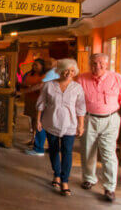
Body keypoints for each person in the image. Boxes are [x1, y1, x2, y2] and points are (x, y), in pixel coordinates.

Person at [74, 53, 121, 202]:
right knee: (88, 150)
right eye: (94, 63)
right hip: (89, 118)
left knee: (108, 152)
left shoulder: (117, 79)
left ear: (107, 64)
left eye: (101, 63)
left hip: (111, 119)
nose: (97, 66)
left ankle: (109, 187)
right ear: (90, 64)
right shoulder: (82, 79)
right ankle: (89, 178)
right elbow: (75, 101)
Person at [35, 58, 86, 196]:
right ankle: (56, 174)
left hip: (70, 124)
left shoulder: (77, 88)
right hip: (51, 122)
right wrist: (38, 120)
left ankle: (64, 180)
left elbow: (81, 108)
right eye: (66, 70)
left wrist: (81, 125)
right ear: (59, 70)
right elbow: (41, 103)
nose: (69, 73)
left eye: (72, 70)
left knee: (67, 151)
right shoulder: (48, 85)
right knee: (53, 150)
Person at [21, 58, 47, 156]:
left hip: (38, 100)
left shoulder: (45, 75)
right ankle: (33, 138)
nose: (34, 66)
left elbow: (40, 86)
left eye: (36, 65)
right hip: (30, 99)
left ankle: (38, 144)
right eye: (33, 65)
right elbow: (25, 82)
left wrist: (25, 90)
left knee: (38, 120)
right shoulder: (29, 74)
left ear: (42, 66)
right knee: (32, 119)